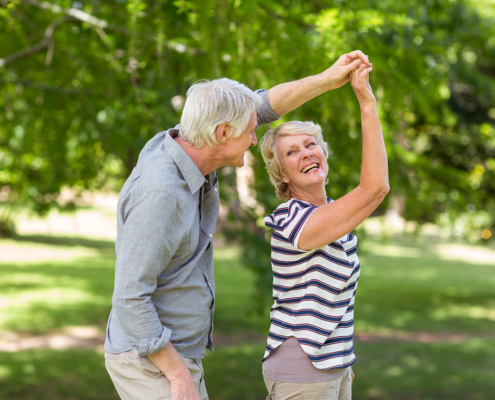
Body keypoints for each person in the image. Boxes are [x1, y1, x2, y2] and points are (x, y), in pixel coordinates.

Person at [103, 51, 371, 400]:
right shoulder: (162, 193)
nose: (254, 137)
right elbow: (129, 297)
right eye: (248, 131)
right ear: (223, 132)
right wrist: (179, 376)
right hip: (148, 358)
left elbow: (263, 106)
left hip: (174, 352)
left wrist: (327, 79)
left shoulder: (192, 143)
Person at [259, 61, 389, 399]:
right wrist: (366, 102)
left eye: (310, 144)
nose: (305, 153)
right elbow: (375, 188)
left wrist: (343, 363)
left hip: (334, 367)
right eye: (292, 152)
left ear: (324, 154)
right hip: (302, 372)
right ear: (283, 174)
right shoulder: (289, 218)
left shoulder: (332, 215)